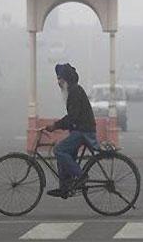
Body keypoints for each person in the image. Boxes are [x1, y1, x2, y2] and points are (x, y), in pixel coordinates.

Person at [44, 63, 99, 199]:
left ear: (66, 79)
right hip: (79, 130)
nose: (58, 82)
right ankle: (65, 187)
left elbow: (73, 117)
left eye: (60, 79)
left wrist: (55, 126)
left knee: (59, 150)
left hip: (83, 131)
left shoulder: (74, 92)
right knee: (63, 154)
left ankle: (81, 176)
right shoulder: (73, 91)